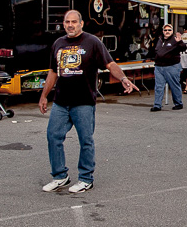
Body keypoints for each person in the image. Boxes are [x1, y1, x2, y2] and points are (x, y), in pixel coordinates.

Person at [39, 10, 137, 193]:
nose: (70, 25)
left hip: (83, 101)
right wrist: (44, 96)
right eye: (67, 22)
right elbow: (53, 72)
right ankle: (60, 176)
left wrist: (123, 78)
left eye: (74, 22)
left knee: (86, 140)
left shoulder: (92, 42)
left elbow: (110, 64)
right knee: (53, 136)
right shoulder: (58, 44)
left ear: (81, 24)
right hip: (61, 102)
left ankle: (86, 178)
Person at [152, 23, 187, 111]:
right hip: (159, 66)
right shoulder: (159, 39)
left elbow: (184, 48)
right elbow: (155, 50)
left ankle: (178, 103)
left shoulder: (175, 40)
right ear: (163, 31)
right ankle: (157, 105)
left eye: (169, 30)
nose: (167, 31)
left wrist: (180, 41)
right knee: (158, 87)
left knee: (174, 85)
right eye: (165, 30)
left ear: (172, 31)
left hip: (172, 66)